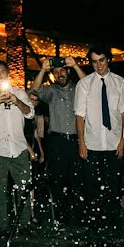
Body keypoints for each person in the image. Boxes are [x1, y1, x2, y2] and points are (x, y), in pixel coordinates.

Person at [74, 45, 124, 224]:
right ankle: (94, 222)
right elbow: (80, 115)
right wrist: (81, 143)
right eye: (94, 62)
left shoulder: (120, 83)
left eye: (102, 60)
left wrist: (122, 141)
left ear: (109, 60)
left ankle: (110, 222)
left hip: (114, 143)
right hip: (92, 144)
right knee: (91, 186)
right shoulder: (84, 84)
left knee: (113, 185)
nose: (99, 65)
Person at [0, 59, 35, 232]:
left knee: (23, 189)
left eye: (2, 71)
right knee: (0, 190)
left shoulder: (19, 93)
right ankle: (2, 226)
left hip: (19, 149)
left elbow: (30, 113)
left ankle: (24, 225)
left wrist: (17, 101)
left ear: (8, 74)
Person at [31, 56, 86, 226]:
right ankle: (60, 220)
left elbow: (91, 85)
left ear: (68, 72)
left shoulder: (79, 89)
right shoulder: (51, 91)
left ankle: (78, 220)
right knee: (57, 182)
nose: (59, 74)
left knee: (78, 182)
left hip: (77, 141)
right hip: (56, 142)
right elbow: (33, 92)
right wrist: (42, 70)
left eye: (62, 70)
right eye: (55, 72)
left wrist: (75, 65)